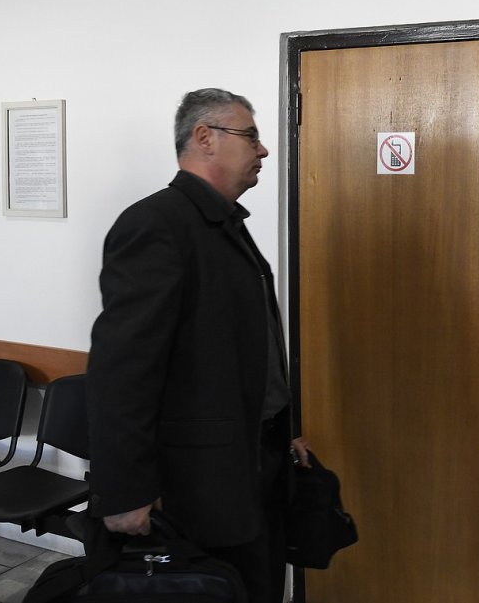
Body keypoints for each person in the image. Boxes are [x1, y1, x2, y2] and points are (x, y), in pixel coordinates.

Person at [86, 88, 308, 603]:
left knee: (255, 586)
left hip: (255, 463)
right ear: (205, 138)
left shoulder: (224, 222)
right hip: (201, 484)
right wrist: (125, 492)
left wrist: (285, 428)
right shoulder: (156, 224)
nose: (263, 150)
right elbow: (122, 371)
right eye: (250, 136)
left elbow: (244, 348)